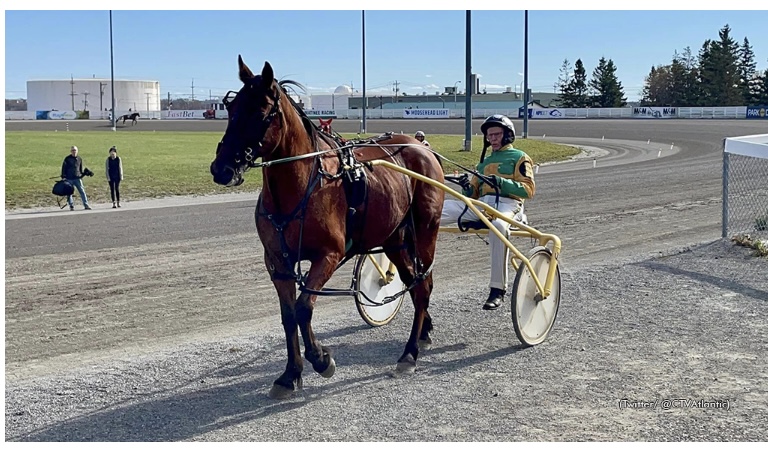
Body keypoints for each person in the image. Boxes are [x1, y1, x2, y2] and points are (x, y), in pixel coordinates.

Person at [440, 114, 535, 310]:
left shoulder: (520, 157)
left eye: (497, 134)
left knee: (499, 226)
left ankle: (497, 289)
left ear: (508, 135)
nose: (492, 139)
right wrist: (466, 187)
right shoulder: (483, 163)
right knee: (442, 208)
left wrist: (500, 182)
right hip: (482, 206)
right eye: (490, 135)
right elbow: (472, 195)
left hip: (508, 206)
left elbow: (528, 190)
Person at [61, 145, 91, 211]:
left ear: (77, 151)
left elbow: (80, 169)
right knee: (69, 193)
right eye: (72, 150)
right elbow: (64, 168)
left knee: (82, 191)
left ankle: (86, 205)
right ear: (70, 151)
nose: (74, 152)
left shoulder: (79, 159)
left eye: (75, 150)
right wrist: (63, 177)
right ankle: (71, 205)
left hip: (77, 178)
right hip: (69, 178)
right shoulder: (67, 159)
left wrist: (84, 174)